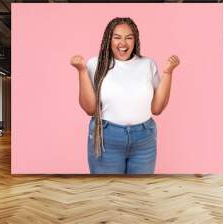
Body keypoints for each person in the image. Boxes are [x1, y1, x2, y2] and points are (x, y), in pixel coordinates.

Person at [70, 17, 179, 174]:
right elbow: (89, 109)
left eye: (129, 38)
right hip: (106, 138)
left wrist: (168, 72)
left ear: (135, 41)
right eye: (117, 37)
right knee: (107, 192)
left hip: (144, 138)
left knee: (138, 193)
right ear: (109, 40)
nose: (123, 43)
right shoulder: (96, 64)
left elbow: (157, 109)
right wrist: (81, 70)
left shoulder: (147, 64)